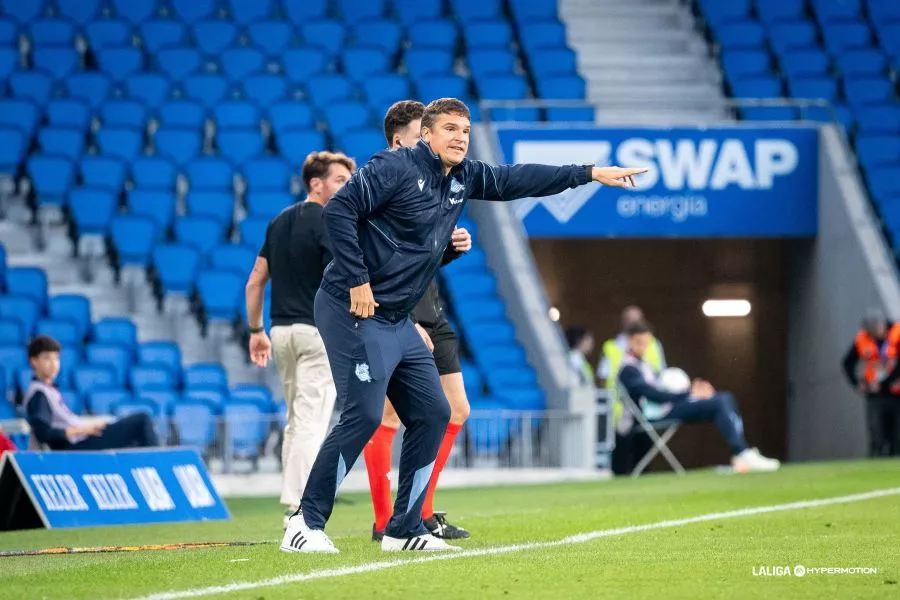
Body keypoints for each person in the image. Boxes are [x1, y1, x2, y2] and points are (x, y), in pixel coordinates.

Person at [281, 97, 646, 554]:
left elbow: (519, 179)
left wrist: (589, 173)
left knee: (434, 413)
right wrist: (356, 280)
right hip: (351, 309)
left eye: (466, 131)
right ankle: (303, 523)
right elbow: (338, 212)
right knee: (366, 414)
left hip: (397, 319)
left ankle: (403, 529)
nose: (459, 137)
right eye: (449, 129)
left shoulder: (464, 176)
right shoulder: (392, 166)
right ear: (427, 134)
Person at [363, 100, 472, 542]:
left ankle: (421, 510)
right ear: (400, 140)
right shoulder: (386, 181)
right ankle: (385, 517)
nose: (430, 142)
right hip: (401, 316)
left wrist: (449, 247)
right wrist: (405, 319)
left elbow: (417, 257)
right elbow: (374, 261)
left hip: (432, 310)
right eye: (421, 134)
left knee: (457, 409)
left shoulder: (435, 183)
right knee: (389, 415)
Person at [243, 151, 355, 526]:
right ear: (316, 183)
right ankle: (303, 510)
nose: (346, 187)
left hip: (281, 332)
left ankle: (294, 504)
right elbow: (343, 276)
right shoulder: (330, 220)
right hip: (317, 333)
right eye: (340, 180)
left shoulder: (278, 222)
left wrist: (256, 330)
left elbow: (256, 279)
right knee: (311, 421)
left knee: (296, 420)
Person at [617, 321, 780, 473]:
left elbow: (662, 389)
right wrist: (688, 394)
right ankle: (742, 452)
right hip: (655, 415)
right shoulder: (628, 369)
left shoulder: (645, 365)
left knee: (724, 398)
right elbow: (653, 395)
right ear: (629, 340)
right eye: (639, 342)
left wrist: (690, 391)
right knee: (719, 402)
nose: (643, 347)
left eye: (646, 343)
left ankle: (742, 451)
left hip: (669, 407)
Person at [23, 336, 158, 450]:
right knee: (142, 420)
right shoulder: (39, 394)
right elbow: (44, 434)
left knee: (130, 438)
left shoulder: (49, 390)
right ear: (34, 361)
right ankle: (159, 465)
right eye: (47, 358)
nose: (53, 364)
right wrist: (84, 430)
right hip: (75, 447)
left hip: (82, 438)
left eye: (56, 358)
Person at [841, 309, 900, 456]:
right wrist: (857, 383)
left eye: (877, 329)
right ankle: (876, 460)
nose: (875, 333)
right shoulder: (863, 339)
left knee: (897, 436)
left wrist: (887, 382)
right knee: (877, 434)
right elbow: (847, 363)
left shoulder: (897, 333)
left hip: (896, 391)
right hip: (875, 394)